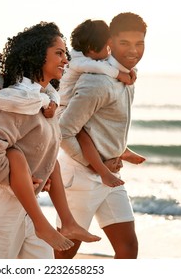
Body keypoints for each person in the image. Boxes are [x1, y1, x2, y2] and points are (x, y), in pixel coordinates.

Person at [0, 31, 98, 257]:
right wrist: (11, 181)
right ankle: (48, 218)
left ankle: (67, 221)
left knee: (50, 162)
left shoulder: (7, 84)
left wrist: (52, 100)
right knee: (14, 155)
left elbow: (43, 91)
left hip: (20, 201)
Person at [55, 12, 148, 259]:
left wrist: (116, 155)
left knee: (128, 249)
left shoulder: (128, 77)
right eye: (124, 43)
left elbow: (105, 125)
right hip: (81, 175)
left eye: (139, 43)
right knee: (63, 255)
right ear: (110, 43)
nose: (133, 51)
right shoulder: (97, 81)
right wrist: (97, 167)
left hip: (110, 173)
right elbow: (63, 133)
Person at [58, 19, 139, 188]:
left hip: (72, 102)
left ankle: (120, 149)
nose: (110, 53)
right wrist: (120, 75)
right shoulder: (77, 61)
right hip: (63, 108)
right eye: (108, 48)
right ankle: (102, 171)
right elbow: (101, 68)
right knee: (82, 136)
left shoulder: (86, 56)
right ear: (92, 50)